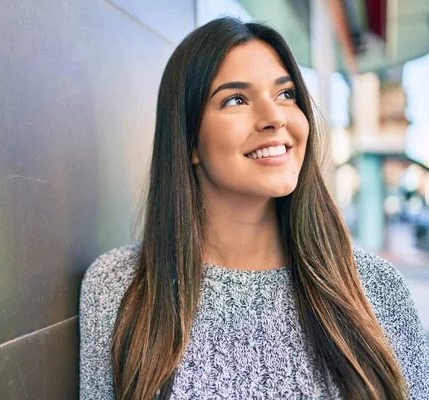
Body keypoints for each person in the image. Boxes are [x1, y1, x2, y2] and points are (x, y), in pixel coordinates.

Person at [79, 17, 429, 400]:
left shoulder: (376, 288)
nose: (275, 117)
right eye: (236, 100)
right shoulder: (119, 287)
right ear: (189, 140)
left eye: (286, 94)